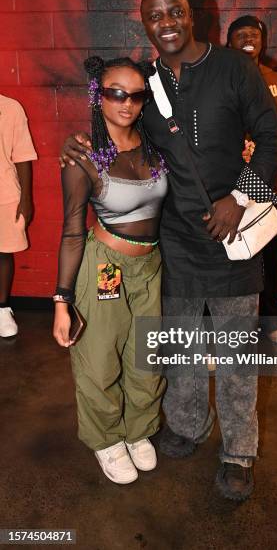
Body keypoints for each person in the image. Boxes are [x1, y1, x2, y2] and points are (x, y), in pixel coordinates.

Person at [60, 0, 277, 501]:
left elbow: (271, 140)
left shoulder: (234, 68)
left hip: (233, 240)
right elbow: (119, 126)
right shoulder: (147, 80)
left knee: (234, 356)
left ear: (192, 14)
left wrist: (239, 197)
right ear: (145, 24)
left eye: (175, 11)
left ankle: (238, 451)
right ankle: (187, 425)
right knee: (180, 350)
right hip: (175, 242)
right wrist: (79, 144)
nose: (167, 22)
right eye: (155, 15)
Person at [53, 56, 168, 484]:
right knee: (99, 360)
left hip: (150, 265)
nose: (127, 103)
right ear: (97, 95)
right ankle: (105, 438)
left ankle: (138, 430)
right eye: (116, 92)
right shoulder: (83, 156)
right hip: (106, 266)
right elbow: (70, 231)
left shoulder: (154, 142)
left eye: (136, 95)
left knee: (147, 357)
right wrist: (62, 302)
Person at [227, 15, 277, 344]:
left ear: (263, 41)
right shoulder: (216, 76)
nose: (248, 39)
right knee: (223, 257)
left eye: (254, 34)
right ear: (228, 42)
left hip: (262, 182)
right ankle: (217, 332)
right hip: (225, 184)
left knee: (267, 252)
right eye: (240, 34)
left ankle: (269, 321)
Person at [0, 94, 37, 338]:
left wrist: (26, 199)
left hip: (4, 194)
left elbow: (23, 156)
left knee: (3, 252)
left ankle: (2, 309)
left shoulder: (10, 107)